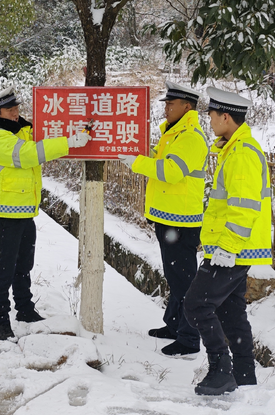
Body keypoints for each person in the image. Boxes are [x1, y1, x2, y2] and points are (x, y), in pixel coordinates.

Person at [182, 87, 272, 395]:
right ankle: (245, 374)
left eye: (211, 114)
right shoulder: (233, 149)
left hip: (231, 249)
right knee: (230, 312)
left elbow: (244, 207)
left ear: (225, 117)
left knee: (196, 305)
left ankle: (221, 368)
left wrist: (227, 248)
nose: (208, 118)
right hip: (230, 248)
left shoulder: (242, 153)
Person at [0, 87, 91, 340]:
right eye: (9, 110)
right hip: (5, 215)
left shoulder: (21, 129)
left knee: (23, 266)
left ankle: (25, 309)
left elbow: (46, 135)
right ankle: (1, 321)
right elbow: (29, 154)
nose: (15, 114)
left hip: (25, 213)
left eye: (17, 109)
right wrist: (68, 142)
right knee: (4, 270)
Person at [117, 81, 208, 357]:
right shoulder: (173, 134)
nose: (166, 108)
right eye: (166, 104)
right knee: (174, 275)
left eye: (171, 104)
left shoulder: (190, 137)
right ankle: (174, 324)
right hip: (169, 218)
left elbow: (170, 172)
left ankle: (190, 339)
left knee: (184, 280)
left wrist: (135, 162)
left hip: (182, 220)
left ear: (187, 107)